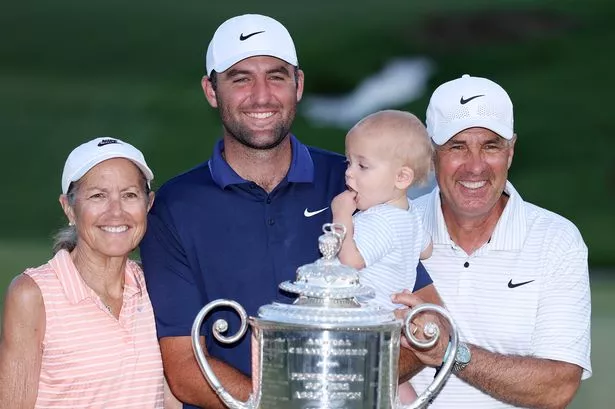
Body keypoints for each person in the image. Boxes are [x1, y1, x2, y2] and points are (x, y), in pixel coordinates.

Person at [139, 14, 442, 409]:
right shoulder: (174, 206)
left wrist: (339, 396)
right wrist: (285, 405)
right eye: (240, 78)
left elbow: (427, 324)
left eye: (276, 77)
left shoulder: (355, 182)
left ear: (298, 85)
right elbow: (183, 366)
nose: (261, 95)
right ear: (211, 91)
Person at [392, 74, 592, 408]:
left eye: (491, 146)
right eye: (457, 146)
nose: (475, 166)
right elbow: (357, 367)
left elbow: (556, 387)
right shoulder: (393, 228)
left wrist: (451, 352)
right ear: (431, 154)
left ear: (510, 151)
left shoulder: (557, 239)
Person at [0, 137, 181, 408]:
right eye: (98, 196)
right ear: (69, 208)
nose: (116, 211)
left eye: (129, 195)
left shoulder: (155, 286)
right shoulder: (33, 295)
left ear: (148, 204)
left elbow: (169, 398)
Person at [331, 109, 434, 403]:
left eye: (363, 166)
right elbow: (425, 250)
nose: (349, 173)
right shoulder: (410, 215)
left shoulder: (378, 220)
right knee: (392, 384)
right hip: (387, 323)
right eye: (349, 162)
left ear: (402, 177)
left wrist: (341, 216)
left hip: (363, 322)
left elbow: (350, 261)